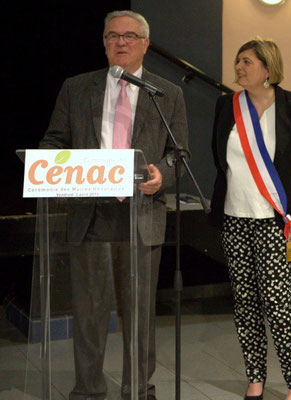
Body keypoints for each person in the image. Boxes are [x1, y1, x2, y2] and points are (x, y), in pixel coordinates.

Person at [39, 10, 189, 400]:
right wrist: (52, 165)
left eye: (129, 36)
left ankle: (139, 389)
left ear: (145, 44)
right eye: (112, 36)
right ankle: (88, 391)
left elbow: (179, 154)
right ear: (104, 43)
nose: (120, 42)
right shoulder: (77, 87)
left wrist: (163, 177)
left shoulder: (166, 93)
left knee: (139, 315)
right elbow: (53, 141)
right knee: (88, 314)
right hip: (90, 214)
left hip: (141, 214)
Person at [210, 37, 291, 400]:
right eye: (238, 61)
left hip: (276, 221)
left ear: (267, 68)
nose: (239, 68)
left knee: (278, 302)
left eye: (247, 62)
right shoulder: (225, 106)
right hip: (234, 217)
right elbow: (220, 160)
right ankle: (255, 377)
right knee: (245, 301)